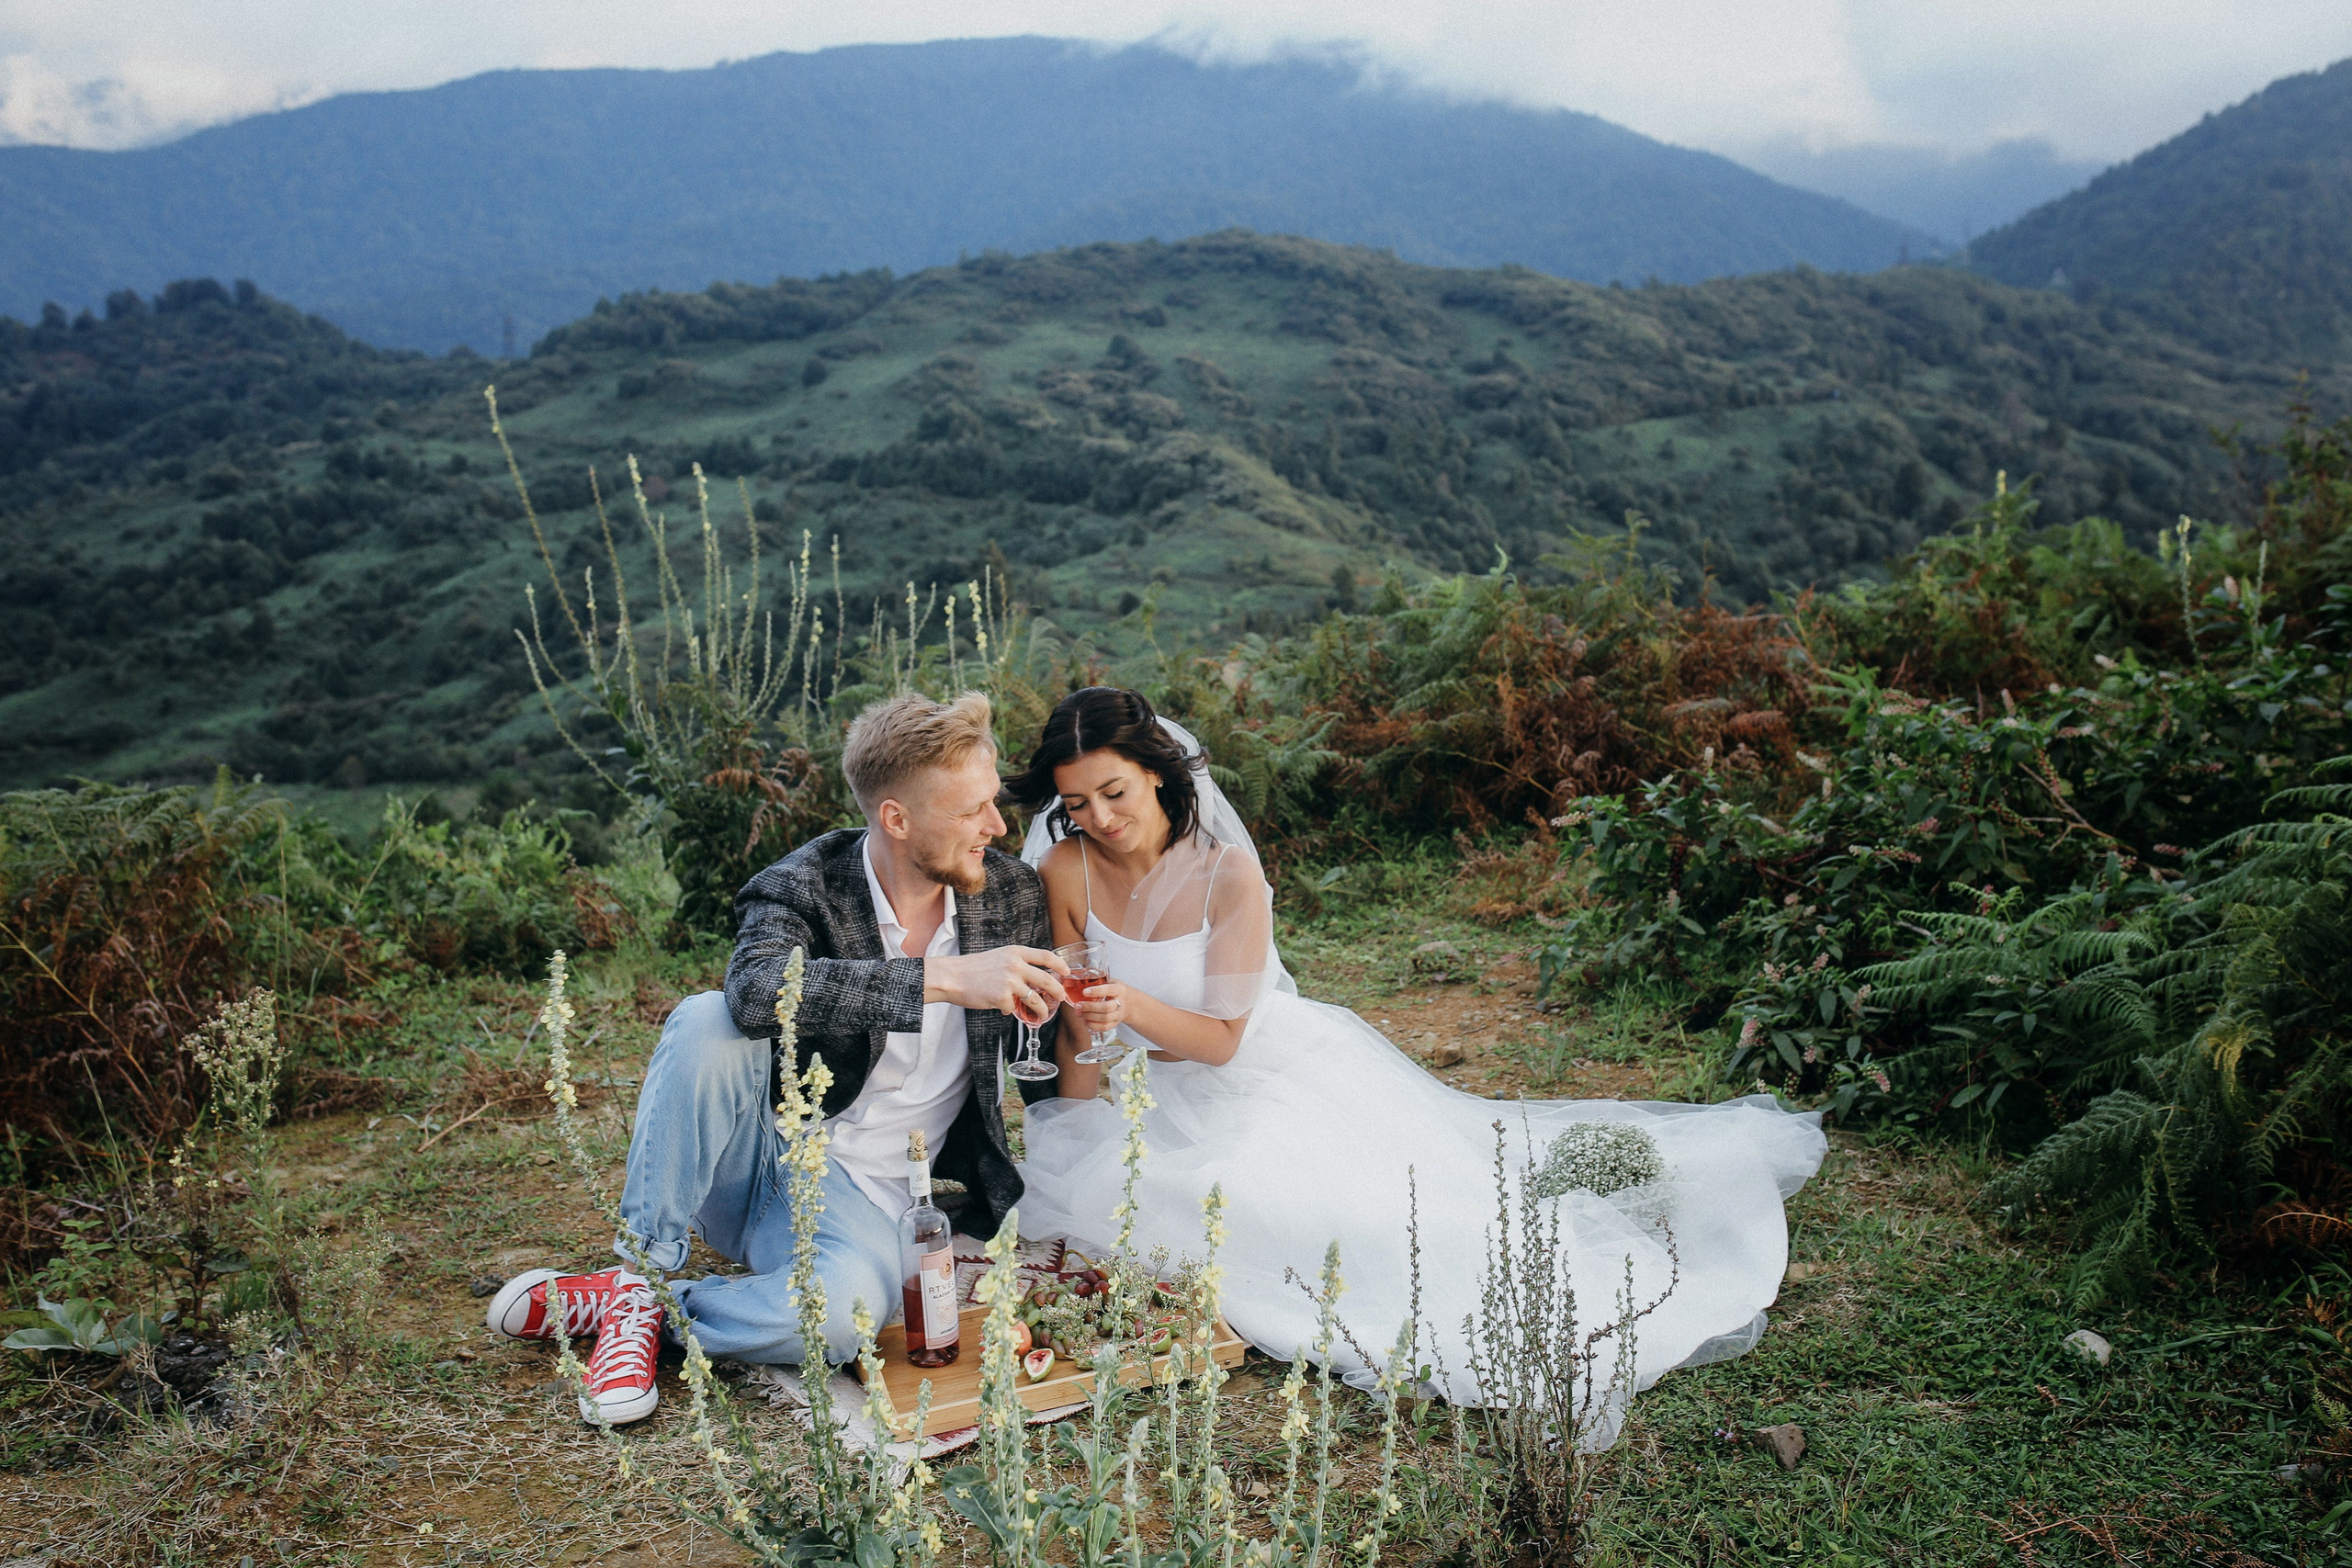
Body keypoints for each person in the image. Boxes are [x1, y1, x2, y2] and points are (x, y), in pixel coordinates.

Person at [1003, 687, 1827, 1450]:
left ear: (1155, 772)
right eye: (1077, 803)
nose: (1100, 817)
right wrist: (1071, 1133)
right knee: (1118, 1214)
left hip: (1249, 1075)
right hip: (1146, 1092)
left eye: (1115, 792)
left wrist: (1130, 1005)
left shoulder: (1229, 872)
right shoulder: (1063, 869)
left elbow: (1223, 1038)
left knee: (1305, 1211)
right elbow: (1080, 1035)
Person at [482, 692, 1070, 1424]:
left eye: (995, 801)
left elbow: (1039, 1044)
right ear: (896, 818)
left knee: (844, 1319)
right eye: (972, 809)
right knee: (708, 1019)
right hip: (758, 1158)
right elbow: (758, 990)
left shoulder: (1008, 892)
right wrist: (944, 979)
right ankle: (643, 1267)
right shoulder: (804, 882)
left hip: (869, 1198)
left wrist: (1090, 1012)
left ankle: (632, 1308)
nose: (997, 824)